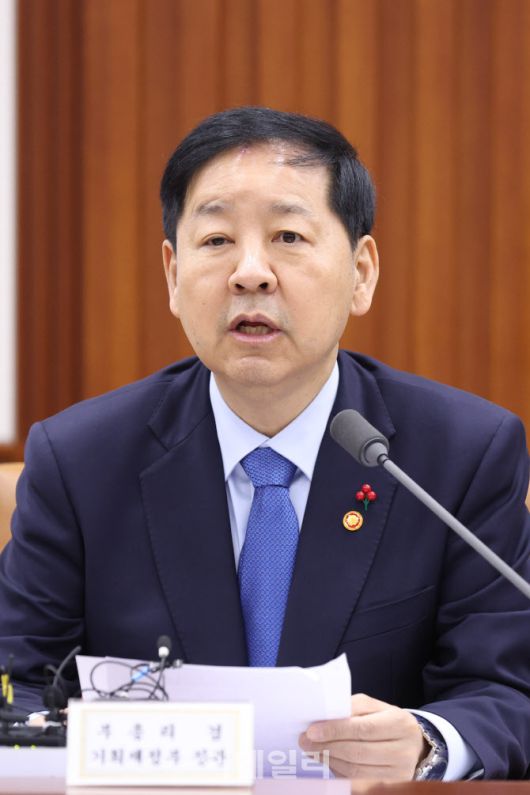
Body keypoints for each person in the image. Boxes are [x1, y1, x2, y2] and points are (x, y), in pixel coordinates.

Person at [0, 107, 529, 781]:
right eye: (217, 239)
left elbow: (508, 688)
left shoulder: (460, 455)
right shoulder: (80, 461)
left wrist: (429, 741)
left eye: (288, 236)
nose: (251, 273)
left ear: (362, 272)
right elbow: (15, 683)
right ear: (172, 274)